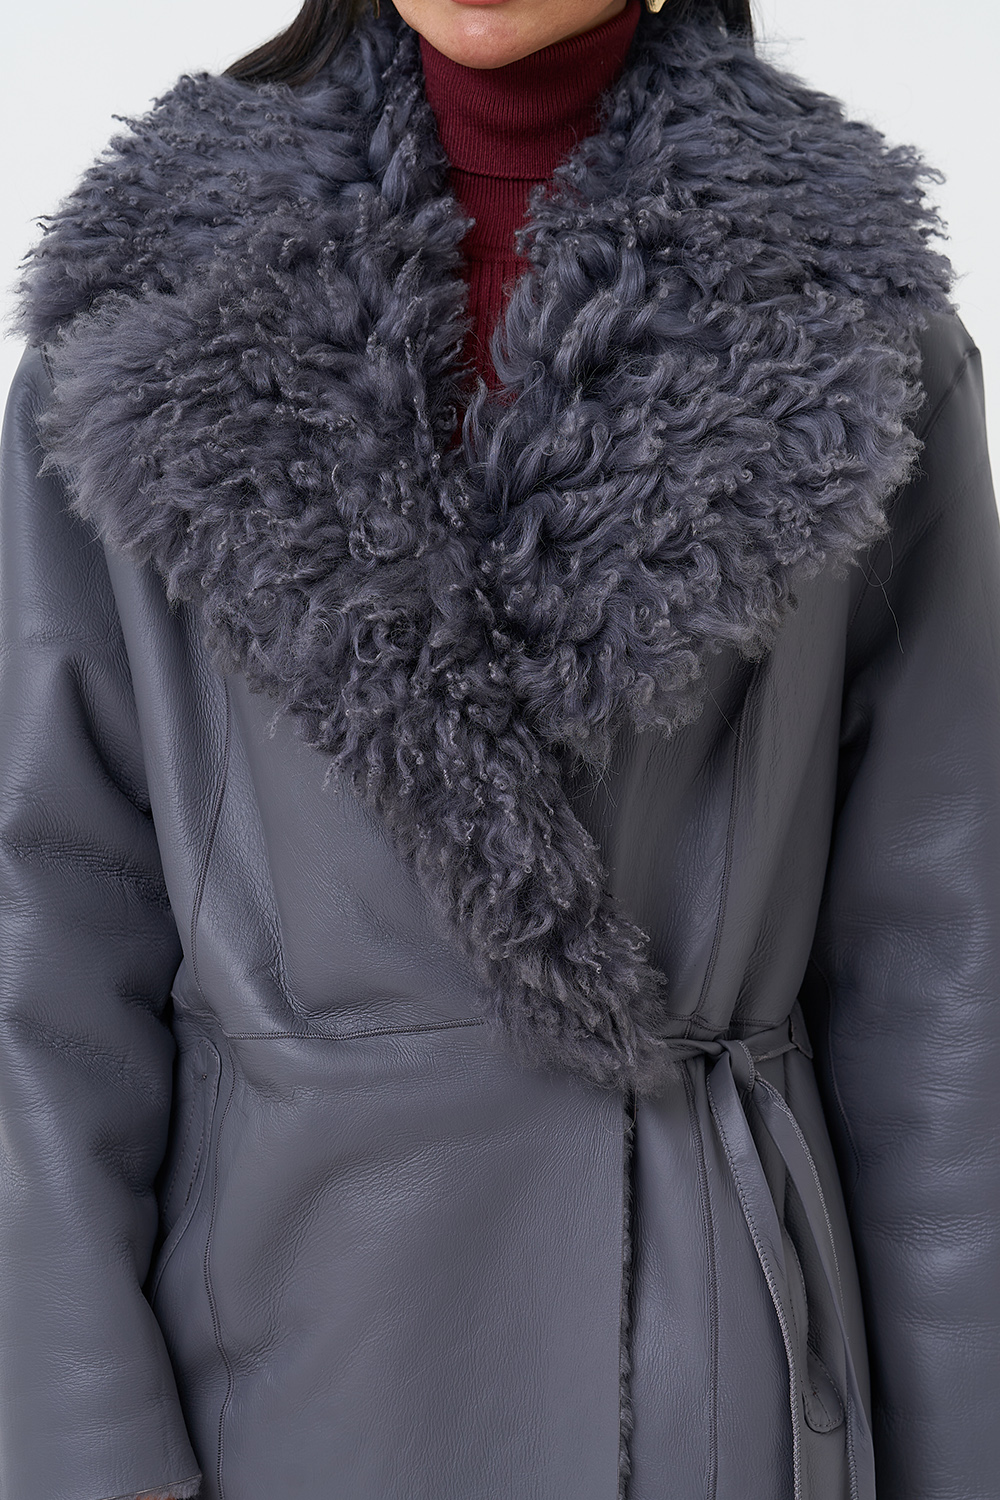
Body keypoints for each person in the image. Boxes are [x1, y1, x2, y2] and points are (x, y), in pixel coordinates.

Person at [0, 0, 997, 1496]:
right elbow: (44, 948)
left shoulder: (854, 327)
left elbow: (946, 982)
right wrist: (84, 1454)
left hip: (711, 1381)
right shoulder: (140, 320)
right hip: (280, 1380)